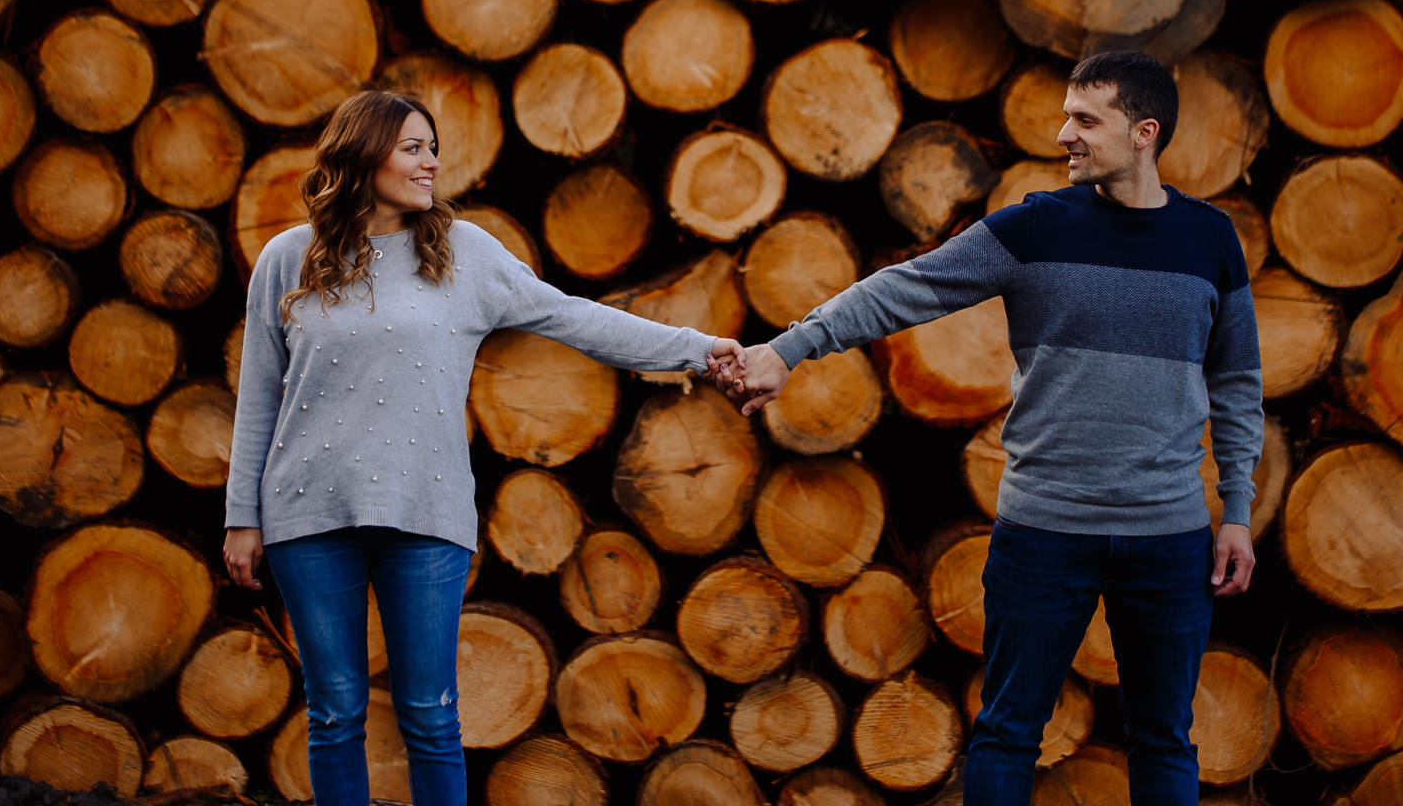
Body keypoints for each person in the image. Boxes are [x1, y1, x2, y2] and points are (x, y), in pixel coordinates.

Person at [721, 50, 1262, 806]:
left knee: (1163, 739)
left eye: (1084, 118)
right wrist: (788, 348)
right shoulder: (1035, 227)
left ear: (1145, 133)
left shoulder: (1209, 241)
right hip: (1043, 535)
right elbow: (902, 291)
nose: (1062, 132)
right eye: (1065, 113)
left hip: (1166, 541)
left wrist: (1236, 510)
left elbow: (1236, 382)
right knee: (1008, 732)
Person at [224, 89, 743, 806]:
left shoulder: (463, 255)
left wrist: (696, 350)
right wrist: (241, 518)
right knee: (335, 712)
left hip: (425, 516)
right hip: (308, 517)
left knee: (431, 716)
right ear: (362, 151)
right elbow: (260, 395)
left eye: (432, 147)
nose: (431, 162)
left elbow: (577, 319)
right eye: (413, 147)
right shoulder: (289, 259)